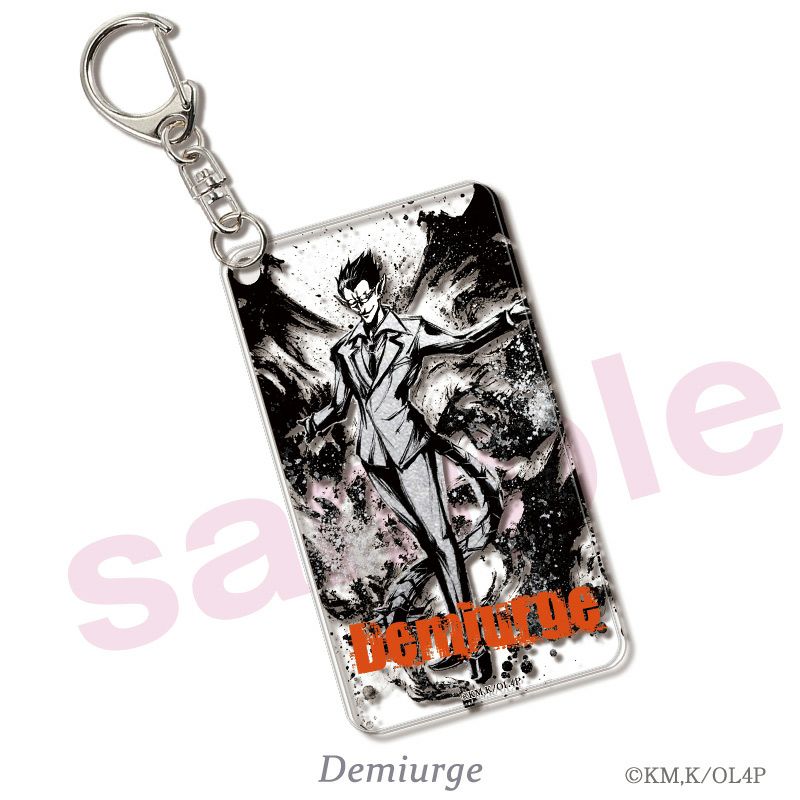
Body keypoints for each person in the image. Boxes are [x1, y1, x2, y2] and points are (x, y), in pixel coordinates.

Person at [302, 251, 527, 682]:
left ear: (377, 289)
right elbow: (339, 406)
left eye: (364, 294)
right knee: (430, 543)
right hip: (375, 460)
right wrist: (310, 424)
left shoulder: (411, 331)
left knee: (441, 541)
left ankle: (475, 648)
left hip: (410, 449)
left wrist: (507, 319)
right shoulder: (344, 350)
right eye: (352, 299)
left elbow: (463, 343)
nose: (360, 304)